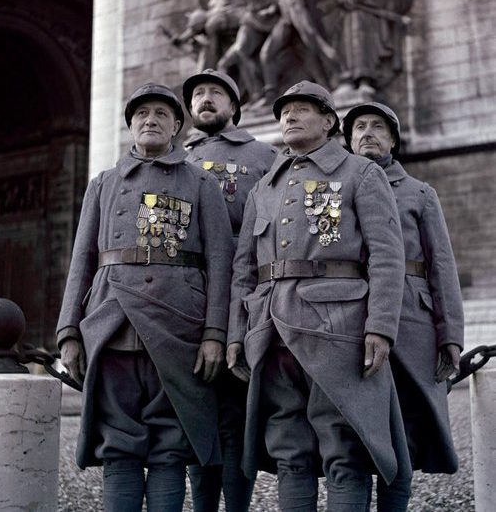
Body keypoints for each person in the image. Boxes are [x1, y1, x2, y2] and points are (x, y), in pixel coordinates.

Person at [227, 80, 411, 512]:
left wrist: (380, 328)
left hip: (338, 329)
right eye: (284, 111)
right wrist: (238, 332)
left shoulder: (361, 173)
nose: (289, 116)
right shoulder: (263, 188)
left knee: (345, 452)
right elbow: (243, 270)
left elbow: (386, 256)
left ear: (329, 121)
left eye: (302, 109)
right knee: (290, 453)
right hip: (272, 333)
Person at [56, 83, 234, 512]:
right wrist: (68, 332)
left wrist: (214, 332)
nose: (150, 120)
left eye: (160, 113)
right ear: (130, 126)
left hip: (179, 329)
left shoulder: (202, 182)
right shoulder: (103, 183)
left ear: (177, 125)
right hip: (112, 324)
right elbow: (81, 260)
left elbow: (220, 262)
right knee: (119, 447)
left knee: (170, 446)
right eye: (141, 114)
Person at [342, 102, 464, 511]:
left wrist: (451, 337)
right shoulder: (335, 189)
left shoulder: (419, 193)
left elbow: (442, 267)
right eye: (359, 126)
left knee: (403, 439)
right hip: (351, 321)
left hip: (412, 324)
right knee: (354, 435)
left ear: (393, 139)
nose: (368, 133)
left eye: (378, 126)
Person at [182, 68, 278, 512]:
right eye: (198, 93)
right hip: (189, 300)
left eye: (215, 93)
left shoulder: (264, 156)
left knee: (238, 415)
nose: (205, 99)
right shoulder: (174, 158)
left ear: (235, 107)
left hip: (243, 300)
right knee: (197, 414)